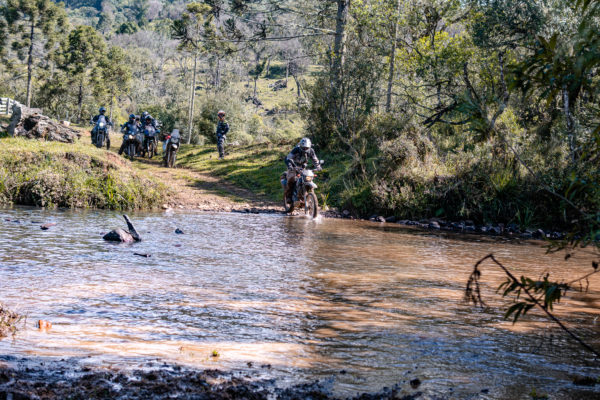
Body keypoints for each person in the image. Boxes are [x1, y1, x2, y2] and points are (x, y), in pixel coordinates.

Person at [284, 137, 321, 201]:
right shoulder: (296, 149)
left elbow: (315, 159)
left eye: (306, 147)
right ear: (300, 146)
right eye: (303, 147)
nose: (305, 149)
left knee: (306, 179)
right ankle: (288, 196)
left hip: (302, 167)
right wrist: (290, 166)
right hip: (293, 166)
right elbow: (288, 158)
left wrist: (318, 166)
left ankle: (306, 195)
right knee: (291, 179)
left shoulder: (311, 151)